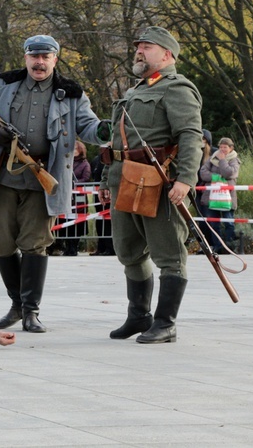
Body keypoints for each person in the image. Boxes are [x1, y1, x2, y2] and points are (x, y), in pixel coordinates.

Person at [0, 34, 110, 333]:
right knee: (0, 241)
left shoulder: (71, 93)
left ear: (54, 60)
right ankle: (16, 303)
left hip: (42, 177)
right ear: (25, 58)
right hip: (3, 176)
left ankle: (30, 311)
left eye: (46, 56)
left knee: (35, 244)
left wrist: (104, 131)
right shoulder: (3, 84)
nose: (39, 62)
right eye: (34, 56)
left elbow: (87, 125)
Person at [99, 26, 203, 344]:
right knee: (128, 251)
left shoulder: (177, 88)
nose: (139, 51)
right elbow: (118, 140)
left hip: (159, 182)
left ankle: (165, 323)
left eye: (147, 47)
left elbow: (190, 136)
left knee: (169, 254)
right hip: (125, 179)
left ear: (167, 54)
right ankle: (138, 316)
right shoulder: (134, 91)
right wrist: (106, 179)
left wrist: (186, 179)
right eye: (138, 47)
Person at [199, 137, 241, 254]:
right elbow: (203, 173)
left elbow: (230, 173)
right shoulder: (213, 158)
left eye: (225, 147)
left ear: (231, 148)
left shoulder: (234, 160)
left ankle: (229, 246)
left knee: (228, 222)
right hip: (211, 197)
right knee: (213, 223)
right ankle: (217, 246)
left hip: (227, 197)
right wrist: (218, 177)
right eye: (221, 147)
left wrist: (222, 161)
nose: (222, 149)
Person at [89, 154, 115, 256]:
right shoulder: (96, 159)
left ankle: (110, 247)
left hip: (109, 194)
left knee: (108, 223)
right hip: (99, 194)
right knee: (99, 222)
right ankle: (101, 247)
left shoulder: (111, 156)